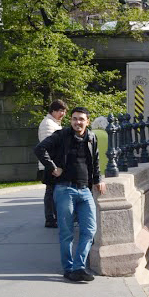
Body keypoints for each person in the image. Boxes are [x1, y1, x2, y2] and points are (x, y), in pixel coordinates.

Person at [34, 106, 105, 283]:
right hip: (65, 189)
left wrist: (99, 179)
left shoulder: (91, 137)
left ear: (87, 121)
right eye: (74, 119)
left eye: (81, 119)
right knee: (66, 233)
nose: (77, 122)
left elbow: (95, 161)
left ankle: (78, 267)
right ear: (70, 120)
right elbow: (40, 149)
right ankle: (69, 269)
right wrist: (52, 168)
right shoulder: (61, 135)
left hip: (85, 190)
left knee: (89, 230)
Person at [37, 99, 67, 228]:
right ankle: (51, 218)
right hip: (50, 165)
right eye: (60, 111)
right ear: (53, 111)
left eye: (64, 111)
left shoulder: (52, 123)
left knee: (52, 191)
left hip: (50, 164)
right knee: (51, 192)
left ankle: (52, 217)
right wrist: (54, 166)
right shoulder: (48, 124)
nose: (63, 114)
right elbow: (49, 147)